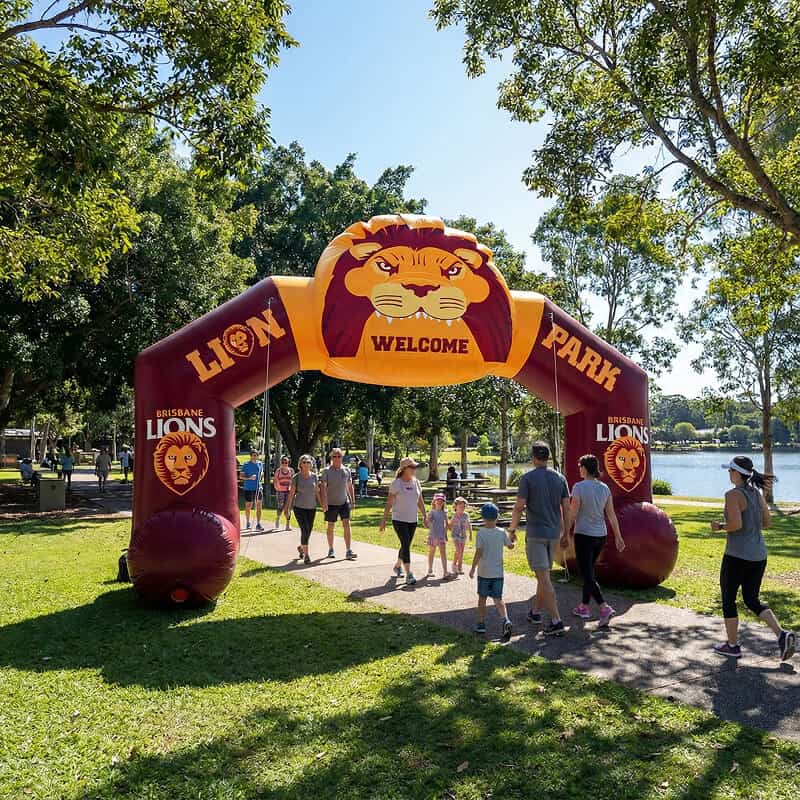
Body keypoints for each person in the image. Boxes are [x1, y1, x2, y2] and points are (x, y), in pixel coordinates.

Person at [711, 457, 795, 660]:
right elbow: (767, 523)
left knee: (729, 600)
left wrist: (720, 526)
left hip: (737, 556)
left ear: (738, 473)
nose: (728, 473)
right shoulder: (756, 494)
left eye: (730, 470)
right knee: (751, 599)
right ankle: (782, 635)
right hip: (758, 556)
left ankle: (732, 646)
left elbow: (736, 525)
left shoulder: (732, 495)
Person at [508, 441, 570, 637]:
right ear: (548, 457)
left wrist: (512, 529)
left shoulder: (527, 479)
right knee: (544, 577)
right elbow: (566, 508)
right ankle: (535, 612)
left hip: (535, 534)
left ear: (534, 458)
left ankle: (556, 620)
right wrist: (566, 532)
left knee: (543, 577)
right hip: (553, 535)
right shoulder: (560, 478)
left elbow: (519, 507)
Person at [567, 454, 626, 627]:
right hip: (600, 536)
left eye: (580, 467)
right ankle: (584, 607)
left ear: (585, 468)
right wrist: (618, 536)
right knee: (589, 571)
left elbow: (573, 513)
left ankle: (604, 607)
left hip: (584, 535)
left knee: (586, 574)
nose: (579, 469)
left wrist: (565, 532)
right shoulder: (605, 488)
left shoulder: (578, 487)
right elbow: (611, 515)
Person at [469, 502, 514, 640]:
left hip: (484, 572)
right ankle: (505, 619)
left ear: (482, 518)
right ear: (497, 517)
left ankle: (481, 624)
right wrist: (513, 540)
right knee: (498, 599)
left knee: (482, 598)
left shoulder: (481, 533)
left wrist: (473, 567)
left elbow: (479, 552)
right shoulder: (502, 532)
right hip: (498, 573)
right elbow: (510, 546)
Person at [380, 456, 427, 586]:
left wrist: (425, 516)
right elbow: (389, 503)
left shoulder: (416, 482)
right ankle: (409, 574)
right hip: (399, 519)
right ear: (404, 469)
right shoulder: (397, 484)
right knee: (406, 544)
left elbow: (420, 501)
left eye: (415, 467)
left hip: (413, 520)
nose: (414, 469)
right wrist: (384, 520)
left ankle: (397, 565)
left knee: (406, 545)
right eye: (412, 467)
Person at [320, 447, 357, 560]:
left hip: (344, 502)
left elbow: (349, 486)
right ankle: (331, 549)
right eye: (334, 456)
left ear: (342, 458)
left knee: (347, 523)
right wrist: (324, 502)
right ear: (331, 458)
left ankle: (348, 550)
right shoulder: (326, 471)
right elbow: (323, 487)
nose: (336, 458)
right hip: (331, 503)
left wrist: (353, 501)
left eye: (339, 456)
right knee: (331, 525)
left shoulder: (346, 470)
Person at [286, 454, 321, 564]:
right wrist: (288, 508)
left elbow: (317, 492)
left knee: (309, 531)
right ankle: (307, 556)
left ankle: (301, 547)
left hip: (312, 507)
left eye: (308, 462)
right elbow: (291, 494)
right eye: (304, 462)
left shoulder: (314, 476)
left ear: (311, 464)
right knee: (305, 529)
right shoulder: (296, 477)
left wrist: (323, 504)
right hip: (299, 508)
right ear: (300, 464)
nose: (306, 464)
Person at [426, 492, 452, 579]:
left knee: (443, 553)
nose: (440, 502)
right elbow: (428, 522)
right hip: (433, 535)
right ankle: (430, 570)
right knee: (432, 553)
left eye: (442, 501)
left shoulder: (444, 512)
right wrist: (428, 521)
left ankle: (445, 572)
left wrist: (451, 527)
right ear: (434, 502)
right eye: (438, 500)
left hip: (441, 536)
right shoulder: (432, 512)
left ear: (443, 503)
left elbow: (447, 524)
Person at [241, 451, 264, 531]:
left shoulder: (260, 464)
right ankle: (248, 522)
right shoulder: (246, 465)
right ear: (250, 456)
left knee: (259, 505)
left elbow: (261, 475)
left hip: (258, 488)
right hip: (248, 488)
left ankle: (258, 524)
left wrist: (261, 482)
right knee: (248, 505)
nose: (255, 457)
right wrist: (250, 478)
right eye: (253, 455)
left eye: (256, 455)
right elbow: (241, 476)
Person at [449, 496, 472, 575]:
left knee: (461, 552)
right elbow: (449, 525)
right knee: (458, 550)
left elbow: (469, 524)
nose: (462, 508)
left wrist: (471, 534)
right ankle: (454, 564)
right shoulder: (454, 516)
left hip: (463, 535)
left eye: (463, 506)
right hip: (455, 535)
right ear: (456, 507)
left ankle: (459, 567)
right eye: (460, 506)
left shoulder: (466, 515)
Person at [273, 456, 294, 530]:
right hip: (280, 492)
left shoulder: (291, 471)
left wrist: (291, 488)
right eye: (283, 462)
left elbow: (293, 481)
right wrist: (276, 487)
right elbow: (275, 480)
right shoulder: (278, 471)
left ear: (288, 463)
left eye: (286, 462)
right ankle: (278, 518)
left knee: (288, 508)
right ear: (281, 463)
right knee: (280, 507)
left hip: (288, 492)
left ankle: (288, 525)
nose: (285, 464)